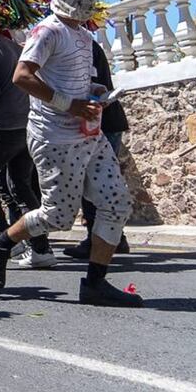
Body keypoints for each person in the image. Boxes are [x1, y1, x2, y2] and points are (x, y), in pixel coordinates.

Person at [0, 0, 141, 307]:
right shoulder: (48, 31)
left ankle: (95, 283)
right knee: (57, 216)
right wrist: (70, 104)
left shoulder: (83, 35)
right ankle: (0, 243)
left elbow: (75, 82)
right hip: (55, 137)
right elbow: (22, 76)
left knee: (116, 204)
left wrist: (94, 92)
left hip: (89, 137)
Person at [0, 6, 55, 268]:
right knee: (20, 185)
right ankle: (41, 247)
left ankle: (2, 241)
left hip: (3, 125)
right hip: (25, 125)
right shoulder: (15, 46)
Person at [64, 31, 132, 258]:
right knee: (98, 181)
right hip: (104, 120)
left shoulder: (82, 46)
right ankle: (111, 238)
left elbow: (90, 83)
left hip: (100, 121)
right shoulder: (87, 44)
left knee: (93, 181)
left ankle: (101, 238)